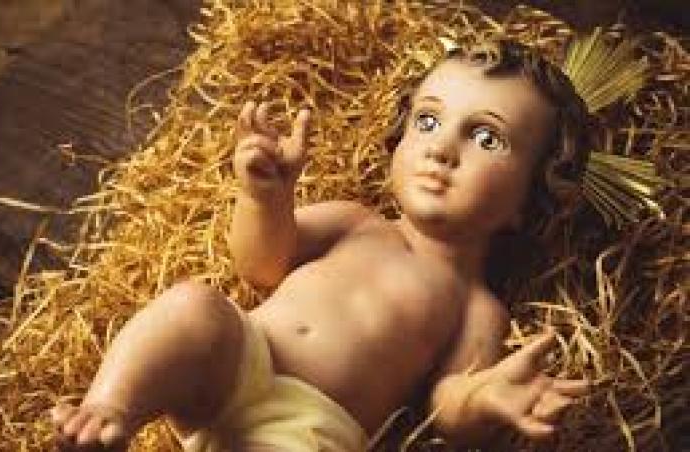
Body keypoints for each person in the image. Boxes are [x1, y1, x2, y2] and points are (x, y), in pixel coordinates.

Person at [50, 39, 592, 451]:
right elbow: (262, 266)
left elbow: (446, 408)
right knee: (193, 307)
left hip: (307, 428)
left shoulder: (476, 307)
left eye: (487, 138)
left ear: (531, 198)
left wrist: (484, 397)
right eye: (428, 121)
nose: (442, 148)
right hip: (244, 356)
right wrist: (264, 198)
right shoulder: (355, 222)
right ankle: (109, 412)